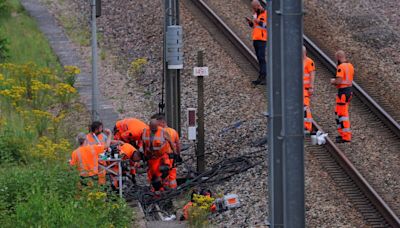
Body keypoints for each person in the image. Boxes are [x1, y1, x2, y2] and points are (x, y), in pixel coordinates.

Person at [141, 116, 176, 192]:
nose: (154, 130)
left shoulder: (163, 132)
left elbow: (171, 142)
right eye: (152, 128)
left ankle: (166, 189)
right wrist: (144, 154)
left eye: (155, 128)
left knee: (165, 170)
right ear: (149, 126)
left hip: (162, 156)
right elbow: (144, 144)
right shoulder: (144, 132)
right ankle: (156, 190)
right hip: (151, 158)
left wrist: (175, 154)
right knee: (154, 176)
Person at [330, 50, 354, 143]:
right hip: (349, 90)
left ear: (338, 57)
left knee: (342, 114)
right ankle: (342, 134)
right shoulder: (350, 66)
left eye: (336, 58)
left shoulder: (340, 67)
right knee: (339, 112)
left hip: (343, 92)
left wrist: (333, 81)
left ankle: (346, 136)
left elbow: (339, 81)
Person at [155, 114, 181, 189]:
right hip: (172, 157)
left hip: (163, 157)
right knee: (172, 176)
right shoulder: (173, 131)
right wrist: (178, 155)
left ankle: (164, 191)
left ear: (162, 123)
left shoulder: (159, 132)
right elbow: (178, 144)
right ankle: (173, 191)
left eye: (158, 124)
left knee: (163, 175)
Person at [246, 0, 267, 85]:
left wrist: (259, 22)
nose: (254, 10)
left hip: (262, 39)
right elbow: (255, 27)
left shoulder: (266, 14)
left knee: (262, 58)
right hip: (256, 39)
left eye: (254, 8)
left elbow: (268, 26)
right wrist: (250, 23)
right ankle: (261, 76)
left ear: (258, 6)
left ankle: (264, 77)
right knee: (259, 58)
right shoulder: (256, 15)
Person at [303, 46, 316, 134]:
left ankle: (307, 126)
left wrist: (311, 87)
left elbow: (312, 75)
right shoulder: (296, 61)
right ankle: (303, 125)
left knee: (305, 107)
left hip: (305, 88)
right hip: (298, 88)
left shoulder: (309, 62)